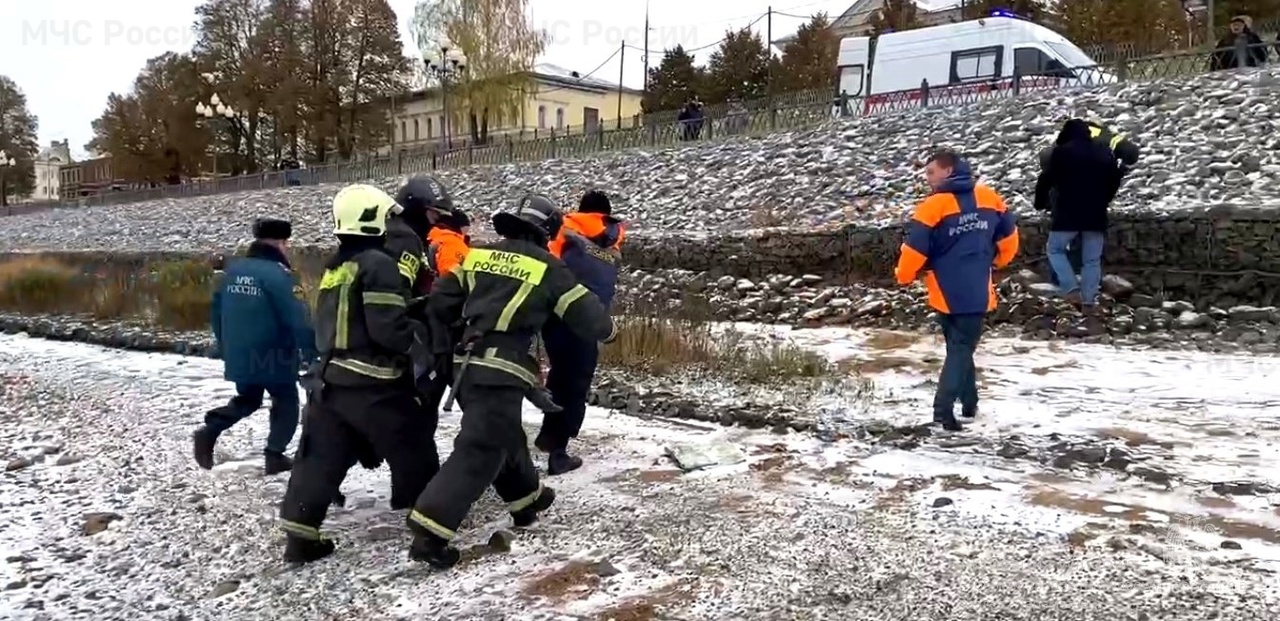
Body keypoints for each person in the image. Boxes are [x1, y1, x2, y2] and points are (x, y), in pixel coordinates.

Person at [406, 193, 617, 570]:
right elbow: (593, 322)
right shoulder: (550, 269)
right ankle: (430, 530)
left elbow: (439, 302)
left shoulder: (478, 255)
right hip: (502, 371)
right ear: (547, 232)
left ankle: (526, 499)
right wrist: (610, 329)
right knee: (481, 448)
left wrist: (450, 340)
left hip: (464, 369)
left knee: (500, 431)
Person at [278, 184, 436, 564]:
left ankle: (300, 538)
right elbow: (387, 329)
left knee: (319, 458)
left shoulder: (336, 265)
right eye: (384, 216)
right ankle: (431, 526)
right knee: (414, 447)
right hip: (374, 381)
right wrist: (417, 334)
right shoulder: (378, 263)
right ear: (371, 219)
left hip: (330, 378)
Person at [895, 150, 1019, 431]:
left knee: (959, 347)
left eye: (930, 173)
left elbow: (914, 248)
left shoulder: (932, 206)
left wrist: (903, 276)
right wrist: (997, 261)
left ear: (947, 172)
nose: (927, 178)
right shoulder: (990, 198)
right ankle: (964, 403)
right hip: (976, 286)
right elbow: (1010, 239)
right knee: (962, 347)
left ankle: (947, 408)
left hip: (943, 288)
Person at [195, 218, 315, 474]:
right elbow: (297, 317)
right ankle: (275, 455)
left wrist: (225, 346)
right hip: (274, 352)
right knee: (286, 400)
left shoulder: (232, 271)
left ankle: (210, 429)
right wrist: (312, 351)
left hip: (239, 350)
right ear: (282, 243)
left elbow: (216, 313)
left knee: (248, 398)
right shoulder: (281, 276)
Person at [536, 190, 625, 474]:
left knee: (560, 374)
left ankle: (550, 436)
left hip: (556, 312)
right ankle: (558, 450)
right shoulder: (614, 235)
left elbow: (546, 264)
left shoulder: (566, 228)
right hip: (590, 316)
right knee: (575, 383)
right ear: (606, 213)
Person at [1034, 119, 1121, 311]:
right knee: (1091, 260)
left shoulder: (1062, 152)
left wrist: (1040, 203)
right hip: (1096, 213)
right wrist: (1104, 199)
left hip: (1068, 213)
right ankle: (1089, 302)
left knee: (1055, 249)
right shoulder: (1104, 152)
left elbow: (1047, 179)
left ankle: (1071, 288)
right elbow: (1115, 179)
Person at [395, 175, 457, 294]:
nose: (437, 222)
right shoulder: (403, 241)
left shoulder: (418, 240)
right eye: (435, 215)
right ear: (416, 210)